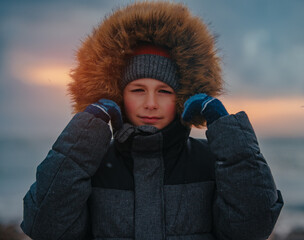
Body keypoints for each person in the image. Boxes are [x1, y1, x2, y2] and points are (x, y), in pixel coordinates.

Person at [21, 2, 283, 240]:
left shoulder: (210, 161)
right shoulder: (94, 165)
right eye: (137, 90)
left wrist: (226, 131)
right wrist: (85, 133)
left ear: (182, 97)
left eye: (164, 91)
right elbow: (46, 228)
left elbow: (253, 226)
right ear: (117, 94)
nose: (150, 103)